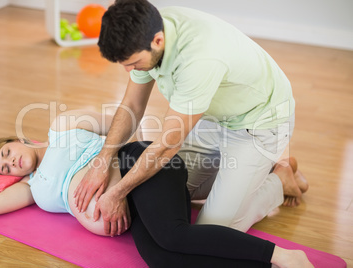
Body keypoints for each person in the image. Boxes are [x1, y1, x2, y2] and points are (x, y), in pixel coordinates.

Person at [0, 109, 313, 267]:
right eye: (3, 168)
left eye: (7, 152)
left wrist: (114, 182)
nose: (10, 163)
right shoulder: (34, 188)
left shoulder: (62, 127)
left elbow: (126, 122)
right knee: (160, 259)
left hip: (137, 165)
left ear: (17, 140)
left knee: (173, 235)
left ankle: (282, 255)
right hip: (132, 209)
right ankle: (271, 255)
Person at [74, 0, 309, 233]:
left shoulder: (198, 58)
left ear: (158, 41)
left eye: (133, 63)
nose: (130, 71)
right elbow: (132, 105)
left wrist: (117, 193)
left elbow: (167, 146)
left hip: (258, 123)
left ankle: (279, 179)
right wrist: (103, 159)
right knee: (161, 189)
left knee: (211, 232)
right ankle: (260, 169)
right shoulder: (145, 31)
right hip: (212, 115)